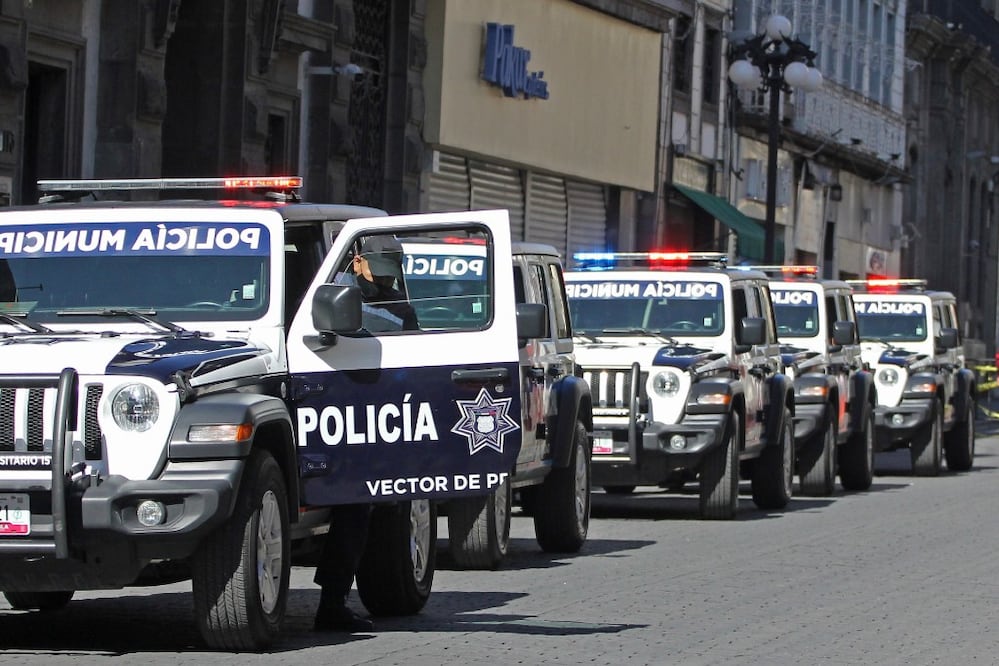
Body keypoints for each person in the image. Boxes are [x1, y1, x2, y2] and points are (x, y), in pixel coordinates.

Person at [313, 235, 417, 634]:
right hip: (333, 412)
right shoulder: (330, 296)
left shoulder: (400, 305)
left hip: (376, 417)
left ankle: (343, 598)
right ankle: (332, 600)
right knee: (355, 505)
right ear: (356, 261)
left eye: (392, 272)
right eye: (379, 270)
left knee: (367, 506)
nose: (386, 281)